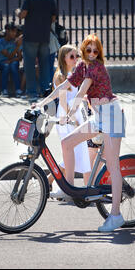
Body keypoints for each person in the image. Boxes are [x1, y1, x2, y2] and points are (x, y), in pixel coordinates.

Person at [35, 34, 126, 232]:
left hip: (112, 116)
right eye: (88, 50)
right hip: (99, 116)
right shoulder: (82, 67)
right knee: (67, 142)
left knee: (113, 166)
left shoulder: (95, 67)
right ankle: (69, 187)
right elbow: (63, 86)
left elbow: (80, 91)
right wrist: (41, 103)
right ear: (83, 51)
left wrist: (71, 113)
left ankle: (116, 215)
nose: (92, 54)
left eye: (96, 50)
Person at [47, 45, 92, 199]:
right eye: (72, 57)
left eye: (77, 56)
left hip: (74, 115)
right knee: (76, 151)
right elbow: (64, 102)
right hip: (67, 118)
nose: (75, 59)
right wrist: (75, 121)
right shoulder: (60, 75)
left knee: (75, 152)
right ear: (64, 58)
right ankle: (75, 188)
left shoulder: (72, 74)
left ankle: (54, 180)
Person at [16, 0, 58, 103]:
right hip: (44, 36)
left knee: (29, 66)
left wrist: (17, 11)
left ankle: (32, 93)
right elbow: (53, 18)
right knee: (44, 65)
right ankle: (45, 92)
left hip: (30, 37)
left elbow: (23, 15)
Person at [0, 22, 24, 98]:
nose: (15, 33)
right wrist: (17, 46)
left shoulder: (16, 41)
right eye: (13, 31)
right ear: (7, 31)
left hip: (12, 62)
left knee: (13, 65)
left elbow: (20, 57)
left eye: (15, 31)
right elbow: (9, 56)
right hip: (1, 62)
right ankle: (4, 90)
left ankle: (18, 90)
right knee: (6, 66)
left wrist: (11, 60)